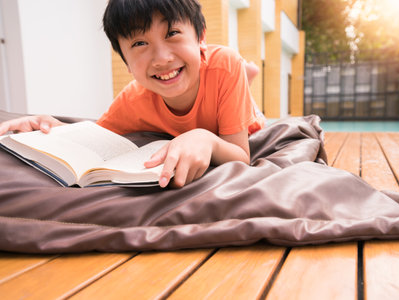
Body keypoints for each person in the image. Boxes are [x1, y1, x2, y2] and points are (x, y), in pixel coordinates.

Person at [0, 0, 265, 188]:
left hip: (234, 108)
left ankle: (246, 79)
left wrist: (205, 139)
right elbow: (95, 139)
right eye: (140, 43)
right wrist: (48, 130)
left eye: (172, 33)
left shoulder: (225, 65)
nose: (162, 58)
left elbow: (241, 155)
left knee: (245, 107)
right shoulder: (133, 99)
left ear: (201, 37)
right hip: (205, 87)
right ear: (126, 63)